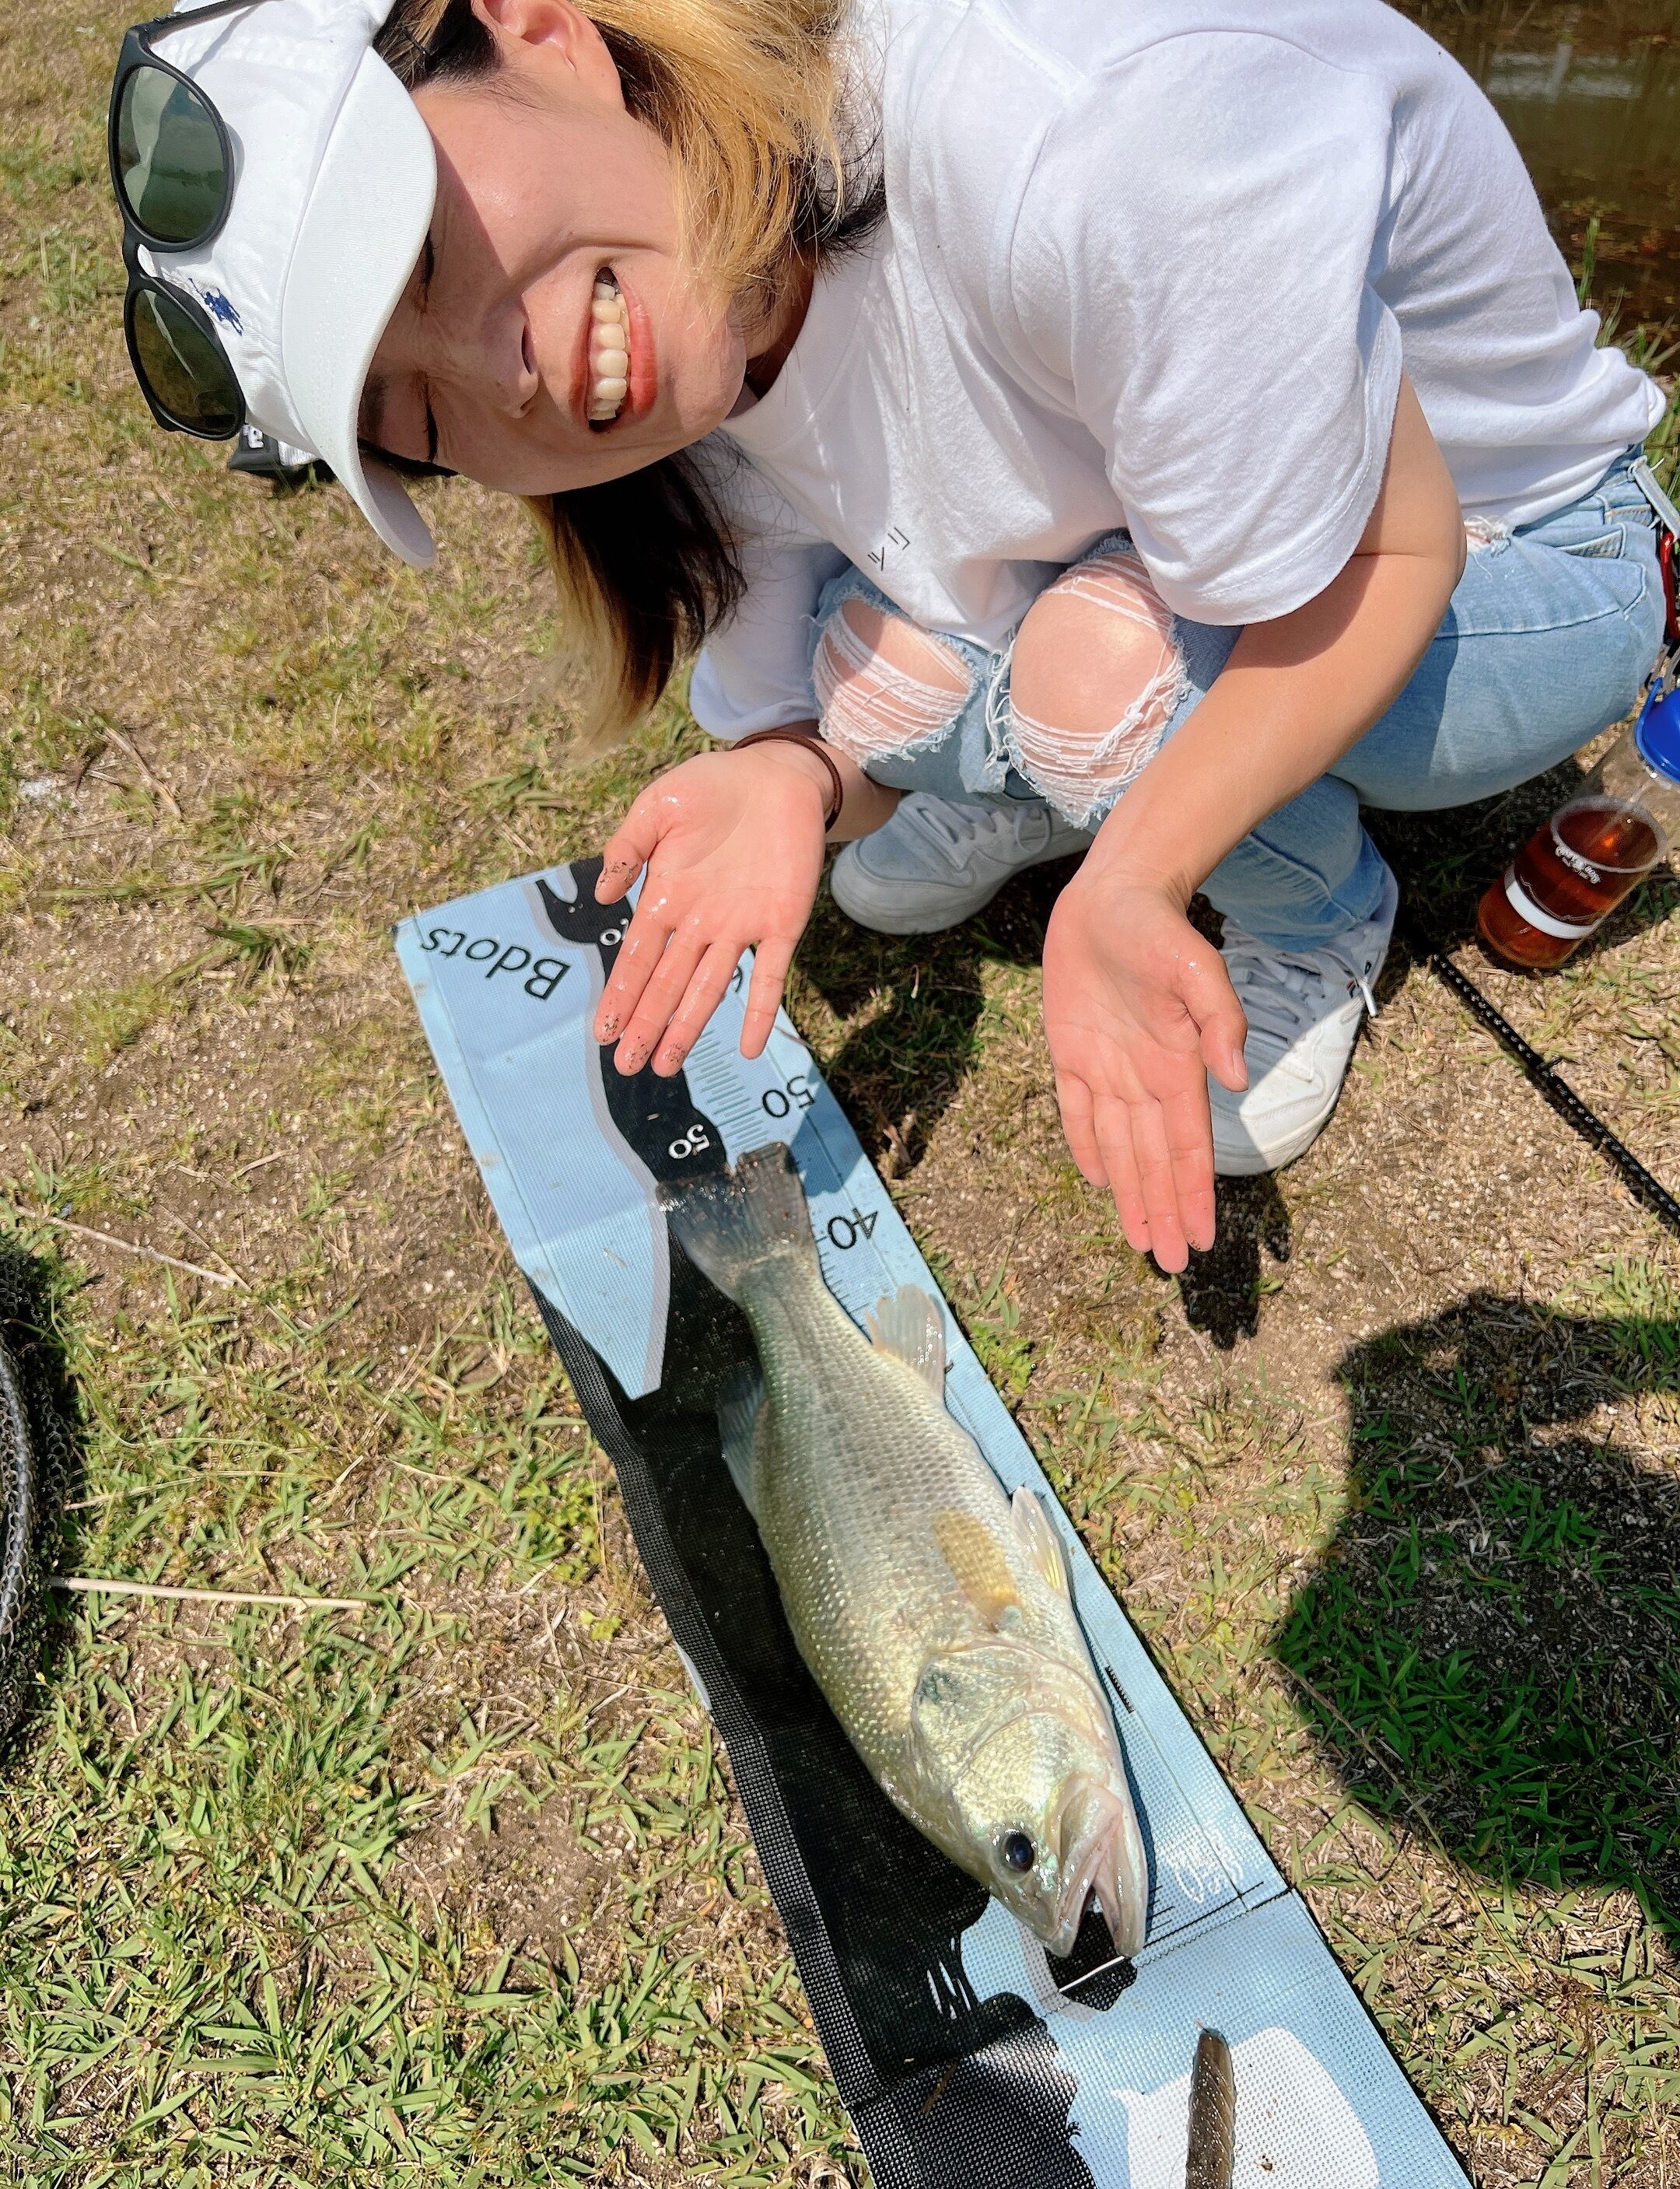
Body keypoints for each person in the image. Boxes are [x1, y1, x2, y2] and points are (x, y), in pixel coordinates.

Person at [110, 0, 1670, 1273]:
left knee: (1086, 684)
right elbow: (833, 651)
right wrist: (794, 775)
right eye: (422, 414)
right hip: (1172, 546)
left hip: (1523, 557)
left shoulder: (1095, 135)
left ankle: (1314, 911)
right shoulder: (689, 287)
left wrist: (1139, 871)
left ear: (537, 27)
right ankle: (1050, 765)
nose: (504, 379)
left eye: (427, 257)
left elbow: (1388, 558)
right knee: (877, 679)